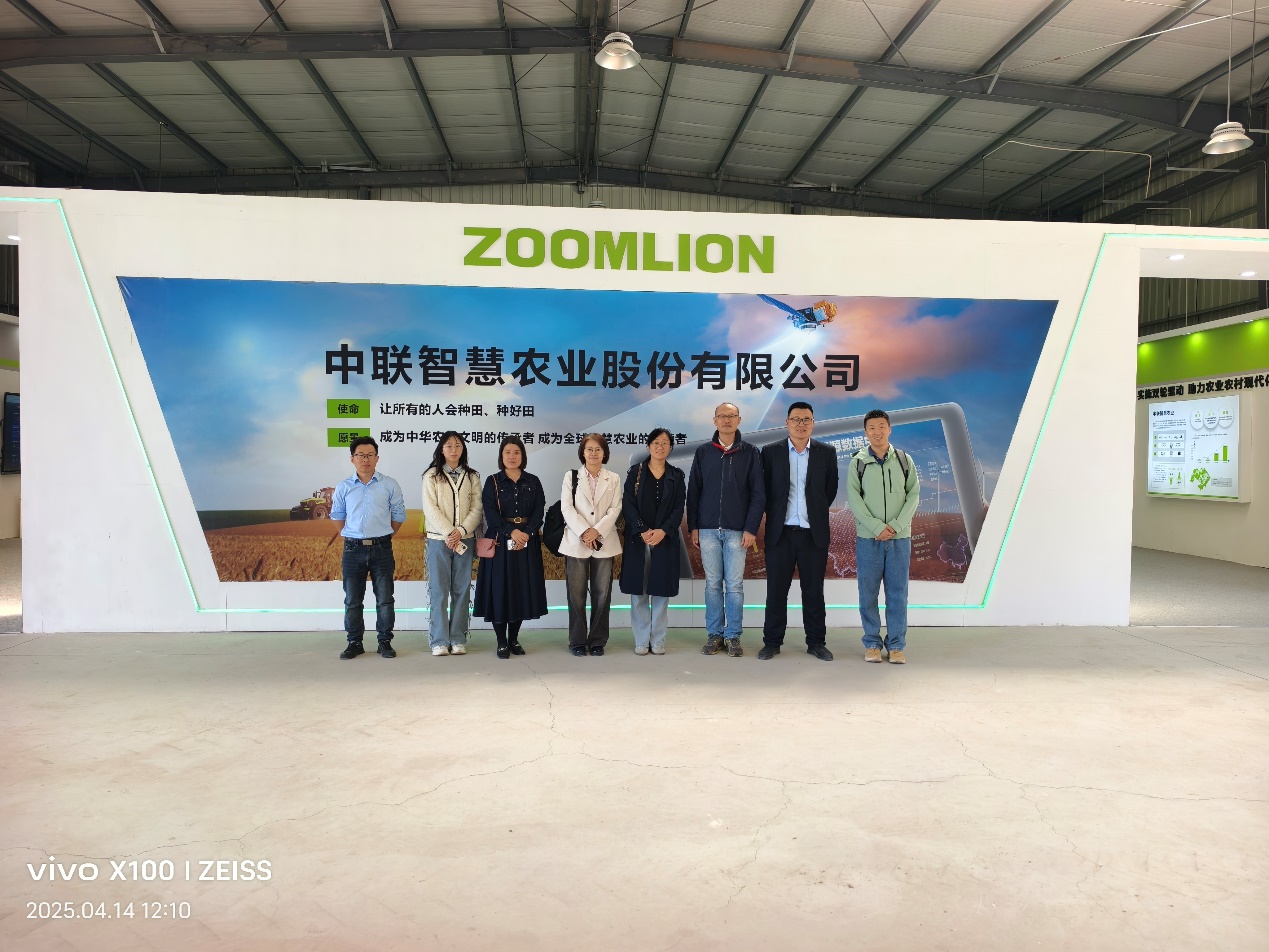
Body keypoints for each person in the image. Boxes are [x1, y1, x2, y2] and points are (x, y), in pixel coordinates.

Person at [759, 402, 840, 661]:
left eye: (806, 419)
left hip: (813, 534)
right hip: (780, 533)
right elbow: (764, 490)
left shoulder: (826, 453)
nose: (801, 424)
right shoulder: (770, 452)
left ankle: (816, 642)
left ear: (813, 423)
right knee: (776, 591)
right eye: (796, 419)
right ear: (787, 422)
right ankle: (772, 642)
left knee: (813, 592)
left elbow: (829, 490)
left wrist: (813, 512)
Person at [687, 402, 765, 657]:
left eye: (731, 416)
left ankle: (733, 636)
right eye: (722, 416)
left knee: (734, 586)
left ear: (739, 420)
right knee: (712, 585)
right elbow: (694, 491)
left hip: (737, 531)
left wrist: (750, 528)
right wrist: (694, 527)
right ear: (715, 421)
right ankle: (714, 635)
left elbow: (758, 494)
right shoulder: (704, 452)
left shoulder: (750, 452)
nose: (726, 420)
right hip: (708, 530)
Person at [846, 409, 920, 664]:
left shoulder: (904, 460)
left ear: (889, 429)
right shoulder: (857, 462)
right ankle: (872, 644)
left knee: (898, 594)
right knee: (868, 594)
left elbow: (913, 495)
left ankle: (896, 645)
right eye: (872, 428)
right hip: (869, 539)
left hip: (899, 539)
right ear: (865, 432)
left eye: (881, 427)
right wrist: (876, 527)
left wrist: (896, 526)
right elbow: (854, 499)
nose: (877, 432)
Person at [330, 436, 406, 660]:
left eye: (370, 455)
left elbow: (398, 515)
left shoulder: (389, 484)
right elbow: (337, 516)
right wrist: (353, 534)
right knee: (353, 600)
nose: (365, 459)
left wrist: (384, 535)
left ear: (377, 458)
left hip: (382, 547)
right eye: (361, 455)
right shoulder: (344, 487)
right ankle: (354, 643)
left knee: (385, 599)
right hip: (352, 549)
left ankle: (385, 642)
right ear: (352, 459)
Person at [472, 435, 547, 658]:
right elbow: (490, 512)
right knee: (500, 590)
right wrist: (511, 531)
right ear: (501, 456)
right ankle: (501, 641)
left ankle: (514, 639)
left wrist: (527, 532)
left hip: (526, 542)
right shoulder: (493, 481)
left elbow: (539, 510)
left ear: (522, 456)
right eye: (507, 452)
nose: (512, 456)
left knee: (522, 590)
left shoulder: (533, 481)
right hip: (499, 542)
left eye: (516, 452)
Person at [620, 428, 686, 655]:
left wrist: (663, 531)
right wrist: (642, 530)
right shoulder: (635, 472)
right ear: (648, 446)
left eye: (665, 443)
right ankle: (641, 640)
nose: (660, 447)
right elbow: (627, 504)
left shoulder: (676, 475)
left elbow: (678, 508)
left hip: (664, 539)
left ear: (670, 448)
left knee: (660, 591)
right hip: (638, 539)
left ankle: (657, 639)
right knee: (638, 591)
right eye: (656, 443)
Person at [559, 433, 623, 657]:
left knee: (602, 594)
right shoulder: (571, 476)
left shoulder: (613, 478)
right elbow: (566, 508)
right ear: (582, 453)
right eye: (589, 449)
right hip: (577, 541)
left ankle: (597, 641)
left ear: (604, 453)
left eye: (598, 449)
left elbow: (615, 509)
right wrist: (585, 532)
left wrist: (597, 531)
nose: (593, 453)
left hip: (604, 542)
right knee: (576, 594)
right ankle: (577, 641)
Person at [422, 431, 483, 657]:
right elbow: (430, 508)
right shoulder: (431, 476)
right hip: (439, 540)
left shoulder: (472, 476)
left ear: (463, 449)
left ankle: (458, 638)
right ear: (441, 449)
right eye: (449, 446)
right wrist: (450, 533)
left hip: (464, 540)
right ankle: (439, 640)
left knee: (462, 590)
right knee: (439, 591)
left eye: (458, 445)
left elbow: (477, 507)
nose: (453, 450)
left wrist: (461, 531)